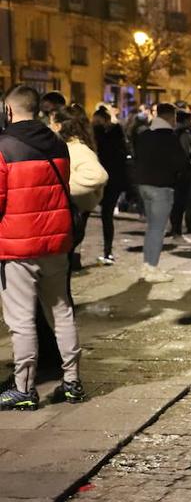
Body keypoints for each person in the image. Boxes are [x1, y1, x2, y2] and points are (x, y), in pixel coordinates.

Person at [0, 85, 85, 410]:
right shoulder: (58, 143)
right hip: (56, 242)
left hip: (17, 248)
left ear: (9, 111)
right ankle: (72, 381)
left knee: (21, 321)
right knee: (61, 312)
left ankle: (24, 387)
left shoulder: (4, 146)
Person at [132, 103, 191, 283]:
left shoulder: (144, 135)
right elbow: (181, 163)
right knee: (158, 229)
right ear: (170, 117)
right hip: (161, 187)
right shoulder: (169, 137)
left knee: (152, 228)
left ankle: (147, 265)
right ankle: (152, 268)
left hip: (143, 185)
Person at [48, 107, 108, 273]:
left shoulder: (77, 149)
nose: (49, 125)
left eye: (52, 122)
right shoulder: (69, 145)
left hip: (71, 214)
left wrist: (59, 186)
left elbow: (98, 175)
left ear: (60, 126)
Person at [92, 106, 130, 265]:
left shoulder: (109, 137)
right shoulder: (117, 136)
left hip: (109, 180)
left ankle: (108, 251)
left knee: (106, 215)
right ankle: (107, 252)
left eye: (99, 123)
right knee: (105, 215)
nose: (97, 126)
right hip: (105, 179)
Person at [169, 107, 191, 243]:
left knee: (174, 201)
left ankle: (174, 227)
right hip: (184, 172)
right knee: (184, 200)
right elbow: (186, 153)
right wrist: (190, 164)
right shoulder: (185, 134)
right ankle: (180, 229)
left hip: (172, 172)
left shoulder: (171, 132)